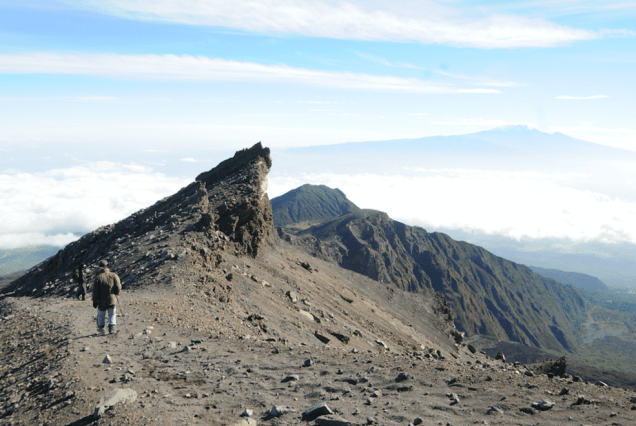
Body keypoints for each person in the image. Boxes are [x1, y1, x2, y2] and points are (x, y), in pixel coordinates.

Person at [92, 260, 122, 335]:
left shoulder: (98, 277)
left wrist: (95, 300)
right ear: (108, 266)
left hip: (101, 300)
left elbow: (95, 290)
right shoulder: (114, 275)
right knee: (112, 314)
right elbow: (118, 287)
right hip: (112, 299)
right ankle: (112, 330)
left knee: (101, 315)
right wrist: (116, 293)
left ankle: (101, 331)